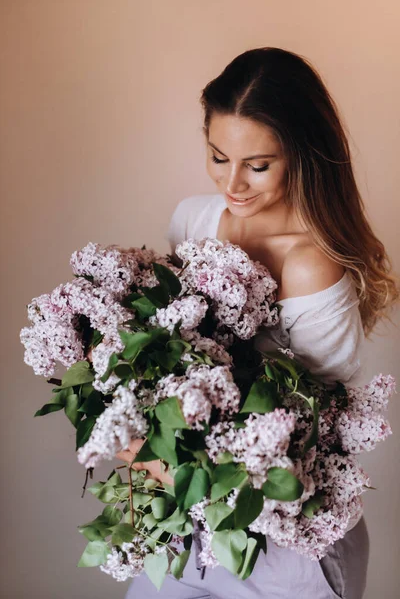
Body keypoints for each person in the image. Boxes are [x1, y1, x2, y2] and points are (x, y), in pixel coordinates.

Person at [121, 47, 399, 599]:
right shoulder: (193, 219)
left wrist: (163, 464)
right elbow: (175, 353)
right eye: (219, 156)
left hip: (290, 545)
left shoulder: (311, 263)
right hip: (190, 529)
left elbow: (312, 443)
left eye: (259, 165)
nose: (234, 184)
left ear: (303, 155)